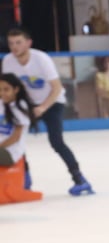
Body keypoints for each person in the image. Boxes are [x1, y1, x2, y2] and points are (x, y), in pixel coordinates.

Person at [3, 27, 92, 195]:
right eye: (11, 43)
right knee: (16, 141)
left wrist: (42, 107)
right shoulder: (8, 61)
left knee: (56, 141)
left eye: (18, 43)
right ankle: (24, 181)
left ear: (29, 43)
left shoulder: (41, 59)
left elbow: (57, 88)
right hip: (26, 104)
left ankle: (80, 179)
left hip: (52, 102)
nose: (14, 47)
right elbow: (9, 87)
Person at [0, 74, 33, 169]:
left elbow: (16, 137)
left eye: (6, 89)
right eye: (0, 90)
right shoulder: (1, 103)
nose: (2, 93)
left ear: (16, 90)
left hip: (10, 152)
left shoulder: (20, 107)